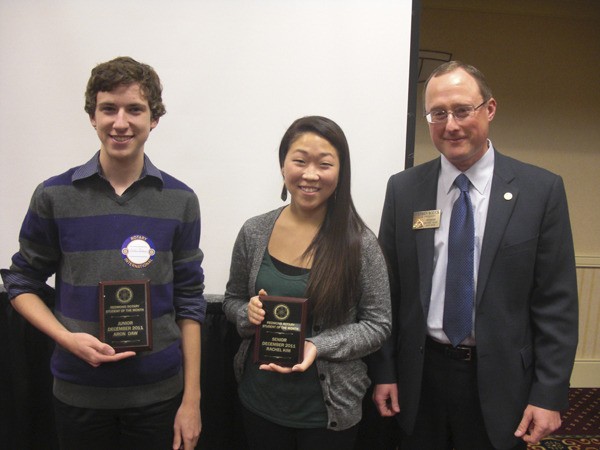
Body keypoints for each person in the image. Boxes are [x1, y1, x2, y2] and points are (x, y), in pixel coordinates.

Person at [369, 61, 578, 449]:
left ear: (490, 109)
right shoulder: (404, 190)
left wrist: (548, 394)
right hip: (419, 378)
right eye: (438, 113)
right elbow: (387, 292)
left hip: (501, 384)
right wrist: (385, 371)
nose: (451, 125)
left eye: (463, 110)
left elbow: (556, 304)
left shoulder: (540, 191)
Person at [1, 56, 205, 450]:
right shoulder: (54, 195)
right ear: (92, 116)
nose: (121, 122)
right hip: (80, 393)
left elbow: (190, 302)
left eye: (135, 109)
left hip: (159, 395)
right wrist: (67, 338)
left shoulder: (181, 200)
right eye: (108, 108)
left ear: (154, 119)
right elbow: (21, 281)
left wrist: (192, 400)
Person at [222, 116, 391, 450]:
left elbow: (378, 324)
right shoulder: (254, 232)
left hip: (328, 415)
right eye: (299, 161)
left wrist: (319, 345)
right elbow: (231, 301)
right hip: (259, 402)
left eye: (325, 164)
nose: (310, 174)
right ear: (283, 165)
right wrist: (247, 313)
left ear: (341, 172)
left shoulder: (359, 243)